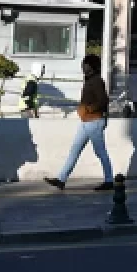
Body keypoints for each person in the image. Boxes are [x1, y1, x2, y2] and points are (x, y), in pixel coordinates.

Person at [44, 54, 113, 191]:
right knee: (74, 151)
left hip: (94, 121)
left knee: (100, 152)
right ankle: (61, 179)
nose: (83, 67)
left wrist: (89, 109)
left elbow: (103, 100)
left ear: (92, 66)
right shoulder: (89, 80)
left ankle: (109, 180)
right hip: (86, 121)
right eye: (83, 64)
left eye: (86, 64)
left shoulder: (97, 81)